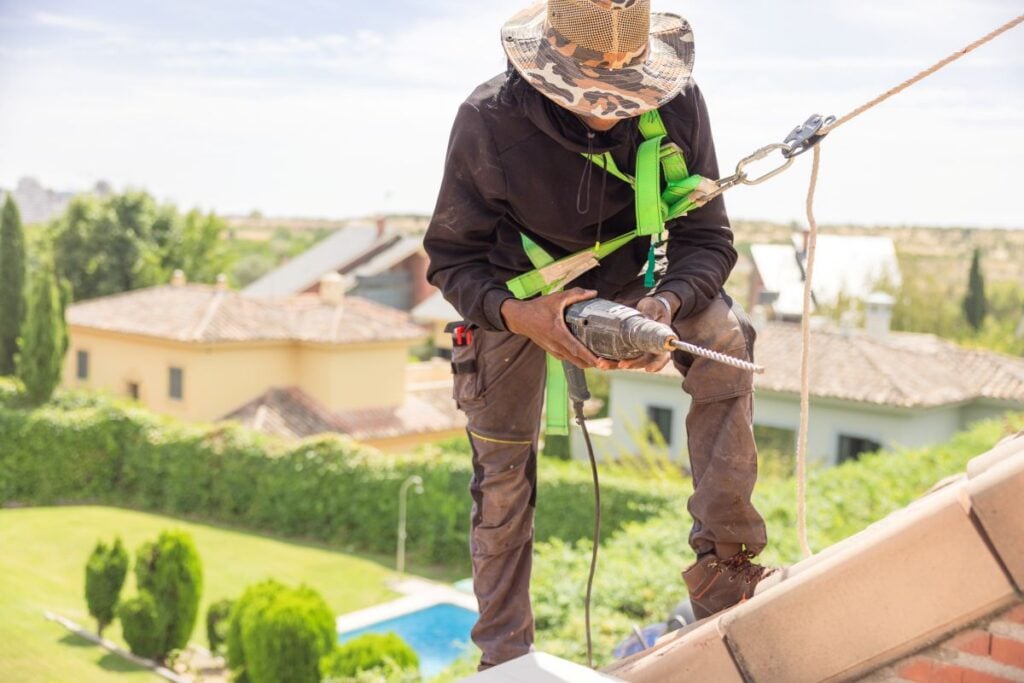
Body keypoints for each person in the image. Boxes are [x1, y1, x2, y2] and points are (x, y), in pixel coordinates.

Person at [424, 0, 775, 670]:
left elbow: (709, 240)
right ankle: (504, 654)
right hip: (516, 292)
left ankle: (726, 569)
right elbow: (451, 259)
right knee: (502, 470)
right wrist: (522, 315)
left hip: (639, 283)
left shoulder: (676, 105)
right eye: (592, 98)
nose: (610, 112)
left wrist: (666, 304)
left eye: (626, 97)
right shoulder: (489, 120)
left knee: (726, 341)